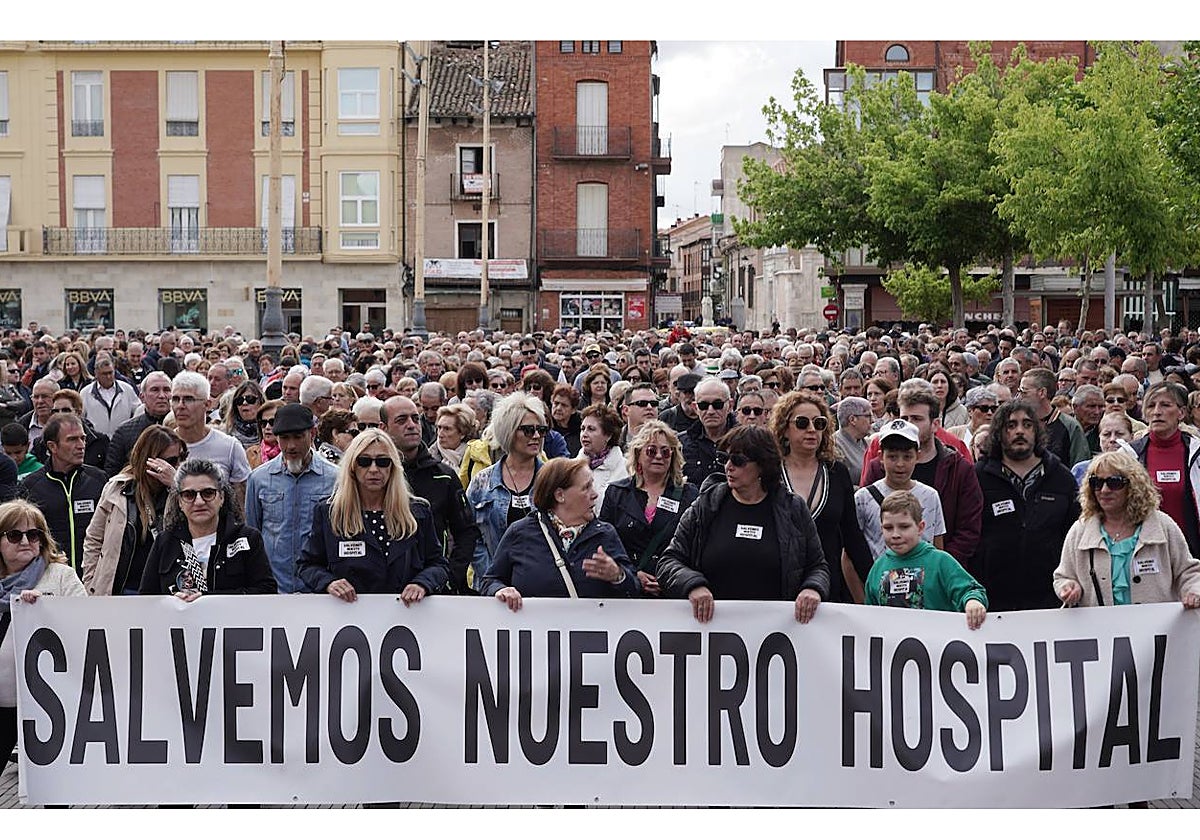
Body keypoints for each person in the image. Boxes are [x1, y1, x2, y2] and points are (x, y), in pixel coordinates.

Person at [656, 425, 829, 623]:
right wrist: (692, 584)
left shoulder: (792, 508)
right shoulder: (706, 505)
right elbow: (668, 562)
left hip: (776, 631)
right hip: (711, 630)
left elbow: (818, 566)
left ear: (763, 465)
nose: (728, 466)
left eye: (738, 461)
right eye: (725, 458)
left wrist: (812, 588)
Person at [298, 429, 449, 601]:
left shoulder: (416, 512)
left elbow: (438, 564)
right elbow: (307, 565)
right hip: (348, 618)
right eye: (364, 461)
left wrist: (422, 583)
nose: (374, 469)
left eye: (383, 462)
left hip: (406, 615)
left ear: (393, 467)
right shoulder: (330, 512)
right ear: (352, 467)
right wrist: (329, 583)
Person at [481, 455, 640, 608]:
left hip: (589, 633)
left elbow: (634, 589)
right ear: (560, 495)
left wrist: (618, 575)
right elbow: (490, 581)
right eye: (586, 488)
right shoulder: (520, 532)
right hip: (534, 633)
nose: (595, 494)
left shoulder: (605, 535)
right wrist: (501, 590)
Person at [0, 499, 87, 776]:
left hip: (50, 703)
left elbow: (87, 625)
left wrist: (47, 611)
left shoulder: (60, 576)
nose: (25, 541)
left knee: (54, 788)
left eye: (33, 534)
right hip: (3, 703)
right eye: (15, 535)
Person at [1056, 450, 1200, 612]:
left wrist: (1193, 591)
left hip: (1156, 630)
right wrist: (1068, 587)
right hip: (1100, 632)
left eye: (1114, 482)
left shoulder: (1162, 525)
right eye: (1096, 482)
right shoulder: (1080, 530)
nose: (1104, 490)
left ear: (1133, 486)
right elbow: (1063, 576)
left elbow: (1189, 572)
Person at [972, 399, 1080, 611]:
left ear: (1037, 430)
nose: (1019, 431)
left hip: (1050, 598)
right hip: (992, 599)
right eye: (1011, 425)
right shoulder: (978, 476)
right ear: (998, 432)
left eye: (1027, 425)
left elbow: (1074, 533)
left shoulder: (1061, 477)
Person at [861, 386, 983, 566]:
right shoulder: (878, 467)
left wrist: (939, 569)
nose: (909, 424)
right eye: (904, 418)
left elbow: (968, 528)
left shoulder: (958, 468)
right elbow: (865, 525)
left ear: (935, 424)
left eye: (917, 418)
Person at [773, 391, 874, 603]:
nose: (811, 430)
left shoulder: (837, 473)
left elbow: (852, 535)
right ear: (784, 429)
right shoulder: (770, 473)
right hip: (777, 587)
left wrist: (873, 583)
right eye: (802, 423)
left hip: (828, 585)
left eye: (818, 423)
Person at [381, 395, 480, 596]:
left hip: (435, 592)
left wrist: (449, 578)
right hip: (381, 594)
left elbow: (466, 532)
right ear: (383, 428)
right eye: (402, 420)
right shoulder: (372, 473)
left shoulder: (443, 475)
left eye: (415, 419)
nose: (411, 425)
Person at [139, 458, 276, 597]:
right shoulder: (165, 541)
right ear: (180, 502)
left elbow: (266, 591)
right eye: (189, 495)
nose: (199, 502)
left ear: (221, 497)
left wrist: (208, 599)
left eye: (208, 493)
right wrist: (172, 602)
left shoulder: (248, 538)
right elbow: (147, 598)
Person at [244, 404, 338, 594]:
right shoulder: (259, 479)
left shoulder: (336, 478)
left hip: (320, 589)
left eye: (298, 437)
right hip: (275, 588)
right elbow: (253, 534)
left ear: (312, 433)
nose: (291, 446)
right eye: (284, 438)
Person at [82, 426, 186, 596]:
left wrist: (177, 486)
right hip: (122, 590)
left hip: (168, 592)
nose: (177, 466)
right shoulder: (117, 488)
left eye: (182, 458)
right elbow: (94, 538)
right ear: (152, 460)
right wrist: (92, 582)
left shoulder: (184, 493)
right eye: (172, 460)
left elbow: (197, 528)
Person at [599, 420, 698, 597]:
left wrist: (671, 576)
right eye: (651, 451)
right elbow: (605, 543)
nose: (659, 456)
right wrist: (633, 573)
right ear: (638, 454)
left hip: (673, 590)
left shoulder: (689, 495)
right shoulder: (616, 493)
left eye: (666, 452)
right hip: (627, 590)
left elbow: (694, 547)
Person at [865, 491, 988, 630]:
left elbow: (971, 590)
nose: (895, 534)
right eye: (888, 528)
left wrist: (973, 602)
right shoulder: (877, 568)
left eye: (904, 527)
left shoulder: (940, 561)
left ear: (920, 527)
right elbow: (870, 615)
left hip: (937, 644)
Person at [466, 392, 548, 591]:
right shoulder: (482, 482)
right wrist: (493, 580)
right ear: (509, 432)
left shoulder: (552, 479)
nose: (536, 436)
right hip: (495, 590)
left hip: (544, 588)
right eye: (528, 430)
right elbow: (470, 536)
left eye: (541, 430)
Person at [20, 412, 107, 573]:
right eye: (72, 439)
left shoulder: (99, 480)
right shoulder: (30, 486)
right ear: (52, 446)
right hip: (49, 579)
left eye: (83, 438)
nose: (81, 445)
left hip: (93, 578)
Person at [1124, 381, 1200, 556]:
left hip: (1191, 551)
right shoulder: (1128, 455)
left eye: (1165, 405)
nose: (1157, 411)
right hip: (1145, 551)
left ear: (1181, 412)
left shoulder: (1196, 453)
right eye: (1151, 406)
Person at [855, 419, 947, 562]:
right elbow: (850, 553)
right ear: (880, 457)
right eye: (892, 457)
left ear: (918, 456)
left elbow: (938, 546)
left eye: (907, 457)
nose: (900, 464)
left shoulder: (930, 496)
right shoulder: (863, 498)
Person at [170, 372, 252, 501]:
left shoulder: (229, 447)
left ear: (207, 405)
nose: (180, 406)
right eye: (175, 399)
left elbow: (242, 502)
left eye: (189, 399)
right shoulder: (161, 444)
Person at [104, 371, 173, 476]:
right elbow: (112, 472)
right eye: (155, 390)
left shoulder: (183, 428)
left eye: (167, 390)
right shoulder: (124, 432)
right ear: (142, 396)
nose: (162, 395)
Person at [681, 377, 735, 487]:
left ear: (730, 405)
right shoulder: (681, 444)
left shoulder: (746, 441)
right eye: (703, 406)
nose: (710, 411)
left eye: (717, 405)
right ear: (695, 408)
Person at [579, 404, 627, 513]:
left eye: (591, 429)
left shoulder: (625, 468)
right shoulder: (571, 467)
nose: (584, 434)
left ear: (608, 435)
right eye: (582, 429)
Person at [79, 354, 139, 438]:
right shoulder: (85, 393)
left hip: (122, 440)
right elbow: (80, 418)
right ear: (96, 374)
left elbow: (138, 410)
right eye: (104, 374)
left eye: (110, 373)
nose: (108, 376)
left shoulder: (127, 389)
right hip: (96, 442)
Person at [1071, 412, 1134, 486]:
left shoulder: (1139, 469)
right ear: (1099, 438)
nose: (1112, 439)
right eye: (1106, 434)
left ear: (1132, 438)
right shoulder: (1081, 469)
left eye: (1119, 434)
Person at [832, 396, 872, 485]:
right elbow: (839, 484)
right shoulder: (834, 445)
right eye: (868, 416)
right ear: (852, 419)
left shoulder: (868, 442)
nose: (872, 421)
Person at [549, 383, 582, 457]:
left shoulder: (581, 429)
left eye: (564, 405)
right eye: (556, 403)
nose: (558, 408)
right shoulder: (545, 427)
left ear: (573, 409)